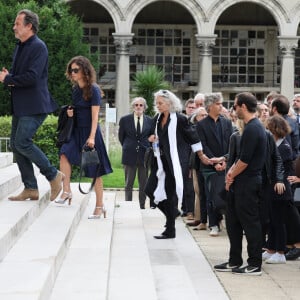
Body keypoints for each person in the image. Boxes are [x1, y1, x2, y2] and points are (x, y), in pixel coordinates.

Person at [0, 9, 63, 201]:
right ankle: (31, 188)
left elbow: (33, 77)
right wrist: (11, 76)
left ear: (29, 26)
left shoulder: (38, 47)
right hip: (21, 105)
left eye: (17, 24)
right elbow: (23, 75)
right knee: (16, 145)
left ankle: (53, 175)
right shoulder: (21, 46)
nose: (14, 27)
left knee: (22, 142)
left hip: (35, 105)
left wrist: (8, 79)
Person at [145, 89, 210, 239]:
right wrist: (151, 137)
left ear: (169, 103)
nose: (158, 105)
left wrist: (201, 155)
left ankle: (170, 229)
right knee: (149, 190)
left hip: (175, 163)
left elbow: (192, 136)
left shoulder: (180, 119)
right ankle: (173, 213)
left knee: (171, 196)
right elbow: (149, 133)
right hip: (160, 162)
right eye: (157, 103)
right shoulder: (157, 118)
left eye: (160, 103)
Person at [214, 92, 267, 275]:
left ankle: (254, 264)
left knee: (250, 224)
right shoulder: (249, 127)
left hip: (249, 183)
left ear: (243, 106)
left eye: (235, 106)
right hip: (240, 183)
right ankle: (234, 260)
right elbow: (239, 159)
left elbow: (244, 160)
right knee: (233, 222)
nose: (234, 110)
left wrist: (230, 176)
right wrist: (231, 173)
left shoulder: (254, 128)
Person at [57, 56, 113, 219]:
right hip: (76, 132)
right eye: (71, 70)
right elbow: (76, 109)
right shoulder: (76, 90)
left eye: (76, 70)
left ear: (84, 71)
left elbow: (95, 116)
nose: (72, 73)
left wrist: (92, 137)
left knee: (94, 171)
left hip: (90, 134)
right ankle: (66, 191)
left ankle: (100, 206)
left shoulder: (93, 89)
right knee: (64, 153)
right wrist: (70, 112)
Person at [196, 93, 233, 236]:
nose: (221, 106)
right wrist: (214, 162)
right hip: (209, 166)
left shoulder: (227, 122)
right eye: (218, 104)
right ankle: (213, 224)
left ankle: (225, 221)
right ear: (210, 106)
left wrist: (224, 160)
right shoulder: (201, 124)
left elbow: (231, 144)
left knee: (225, 195)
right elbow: (202, 145)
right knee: (210, 194)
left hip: (225, 164)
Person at [262, 115, 293, 264]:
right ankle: (271, 249)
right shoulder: (274, 145)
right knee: (272, 221)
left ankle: (280, 252)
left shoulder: (284, 147)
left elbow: (282, 169)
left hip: (281, 190)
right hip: (272, 189)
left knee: (279, 222)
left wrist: (279, 180)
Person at [118, 97, 152, 209]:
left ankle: (142, 205)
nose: (138, 107)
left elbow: (151, 137)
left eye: (141, 105)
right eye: (136, 105)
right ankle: (128, 205)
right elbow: (121, 137)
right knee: (129, 183)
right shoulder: (124, 120)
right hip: (129, 155)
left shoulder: (149, 121)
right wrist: (128, 146)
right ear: (133, 107)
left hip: (144, 156)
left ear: (144, 107)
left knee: (144, 183)